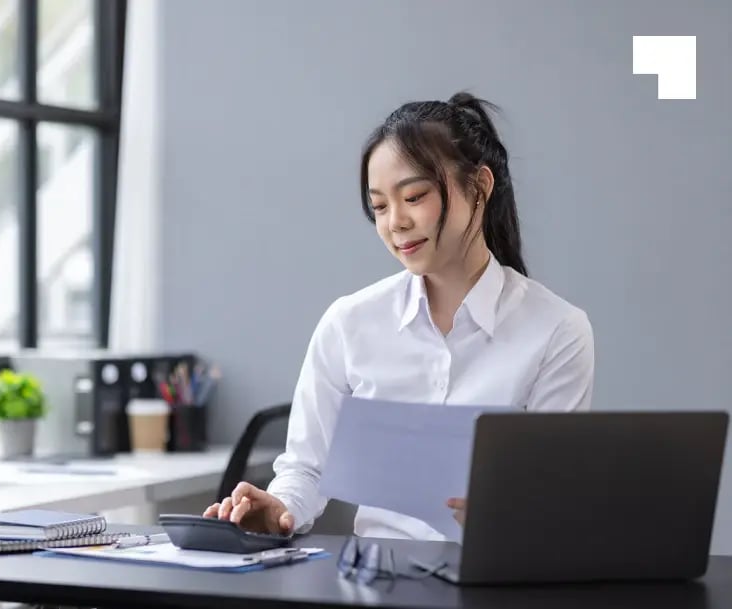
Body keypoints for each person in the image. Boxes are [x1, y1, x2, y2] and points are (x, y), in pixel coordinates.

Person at [203, 92, 595, 540]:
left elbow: (552, 493)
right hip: (376, 583)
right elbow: (306, 469)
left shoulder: (557, 329)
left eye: (413, 196)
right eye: (380, 206)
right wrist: (280, 509)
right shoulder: (350, 323)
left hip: (495, 583)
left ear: (480, 187)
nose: (395, 223)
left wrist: (509, 512)